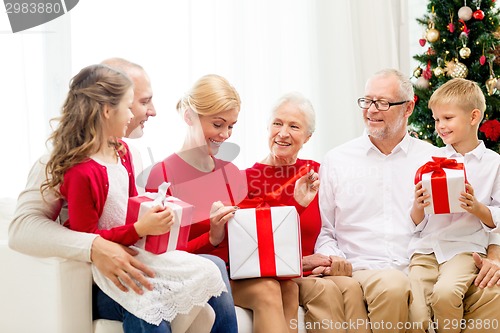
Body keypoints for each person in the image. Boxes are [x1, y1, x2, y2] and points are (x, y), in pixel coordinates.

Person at [7, 58, 224, 333]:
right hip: (95, 278)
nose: (151, 111)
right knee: (147, 297)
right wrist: (96, 246)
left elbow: (129, 215)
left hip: (131, 254)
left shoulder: (127, 153)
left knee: (213, 270)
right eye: (143, 101)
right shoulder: (62, 163)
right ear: (110, 108)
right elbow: (22, 229)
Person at [315, 68, 500, 333]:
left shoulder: (436, 160)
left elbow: (464, 219)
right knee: (395, 287)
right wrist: (334, 261)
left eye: (383, 103)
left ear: (409, 108)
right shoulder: (337, 160)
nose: (371, 110)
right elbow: (326, 232)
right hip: (368, 268)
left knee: (491, 293)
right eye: (366, 101)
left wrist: (495, 255)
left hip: (424, 262)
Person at [245, 92, 370, 333]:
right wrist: (303, 262)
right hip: (287, 274)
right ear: (267, 127)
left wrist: (331, 258)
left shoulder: (316, 173)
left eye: (294, 126)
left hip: (317, 268)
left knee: (351, 287)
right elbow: (253, 248)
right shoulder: (248, 179)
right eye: (277, 123)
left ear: (307, 136)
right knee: (326, 290)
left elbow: (333, 227)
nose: (283, 133)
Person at [145, 74, 243, 333]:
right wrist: (211, 237)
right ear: (189, 118)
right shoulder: (162, 175)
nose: (225, 135)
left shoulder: (231, 174)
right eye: (218, 124)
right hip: (186, 276)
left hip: (236, 276)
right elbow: (161, 253)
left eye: (231, 126)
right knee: (214, 266)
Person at [408, 78, 500, 333]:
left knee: (445, 294)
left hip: (464, 249)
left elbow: (499, 218)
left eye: (447, 118)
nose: (440, 126)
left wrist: (476, 207)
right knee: (416, 311)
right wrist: (418, 205)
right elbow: (416, 222)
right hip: (425, 249)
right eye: (437, 119)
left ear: (473, 117)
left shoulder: (494, 164)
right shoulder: (430, 160)